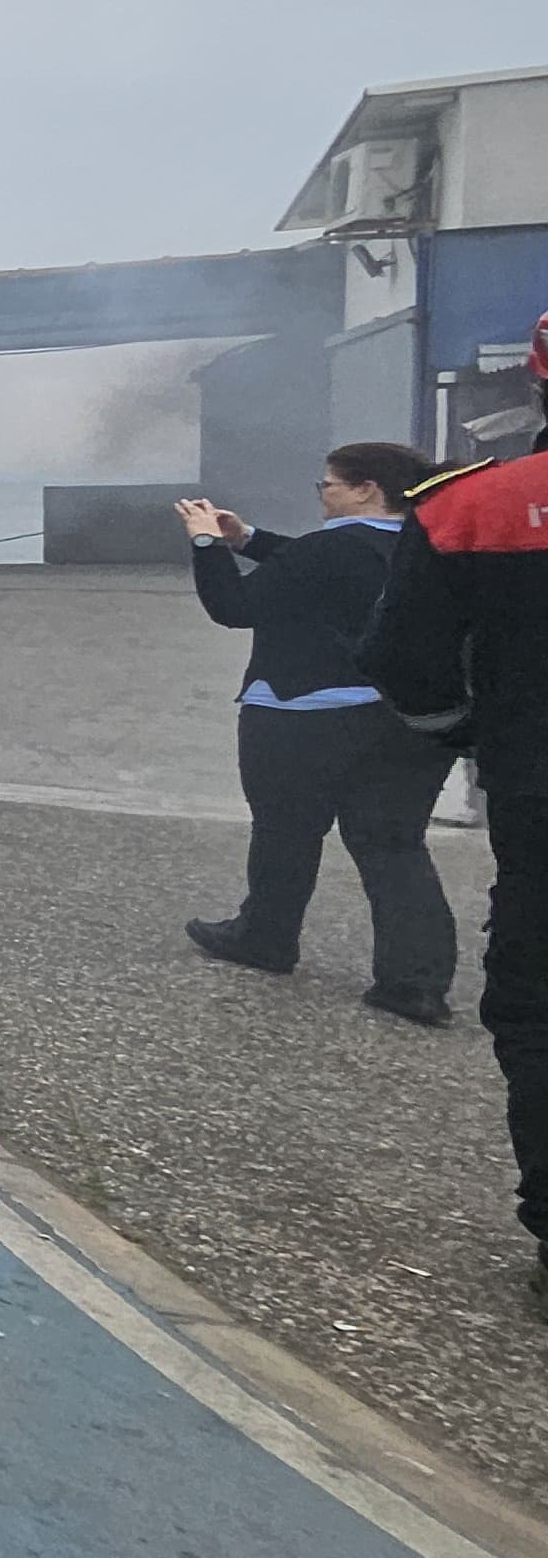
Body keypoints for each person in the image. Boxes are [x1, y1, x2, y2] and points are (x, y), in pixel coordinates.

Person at [363, 311, 548, 1318]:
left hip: (537, 795)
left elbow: (400, 662)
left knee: (539, 1008)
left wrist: (471, 734)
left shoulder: (469, 508)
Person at [179, 444, 456, 1021]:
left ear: (365, 489)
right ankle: (416, 984)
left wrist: (206, 542)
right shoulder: (426, 545)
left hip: (300, 715)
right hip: (406, 725)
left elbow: (235, 606)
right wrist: (247, 537)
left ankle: (266, 938)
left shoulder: (325, 549)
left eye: (327, 484)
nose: (322, 492)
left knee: (286, 832)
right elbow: (331, 565)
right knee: (394, 847)